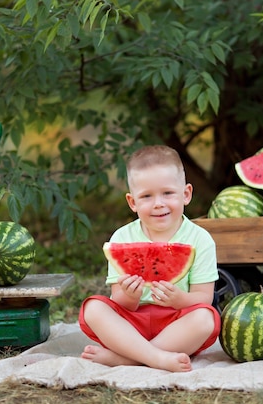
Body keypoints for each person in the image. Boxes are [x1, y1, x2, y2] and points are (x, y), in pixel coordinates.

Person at [78, 145, 220, 372]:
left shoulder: (200, 239)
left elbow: (204, 298)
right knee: (93, 308)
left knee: (206, 318)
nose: (158, 203)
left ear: (186, 194)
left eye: (167, 193)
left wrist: (179, 300)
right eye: (146, 196)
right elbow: (119, 301)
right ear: (132, 202)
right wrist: (130, 297)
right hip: (132, 325)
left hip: (176, 326)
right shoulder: (122, 239)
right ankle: (157, 358)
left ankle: (127, 358)